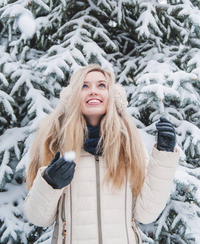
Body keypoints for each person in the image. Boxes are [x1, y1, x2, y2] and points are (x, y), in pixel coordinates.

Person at [24, 64, 180, 244]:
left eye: (101, 85)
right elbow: (38, 218)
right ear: (73, 96)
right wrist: (50, 183)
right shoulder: (54, 143)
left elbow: (146, 214)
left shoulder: (128, 145)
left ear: (111, 96)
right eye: (84, 86)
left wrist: (164, 154)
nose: (93, 91)